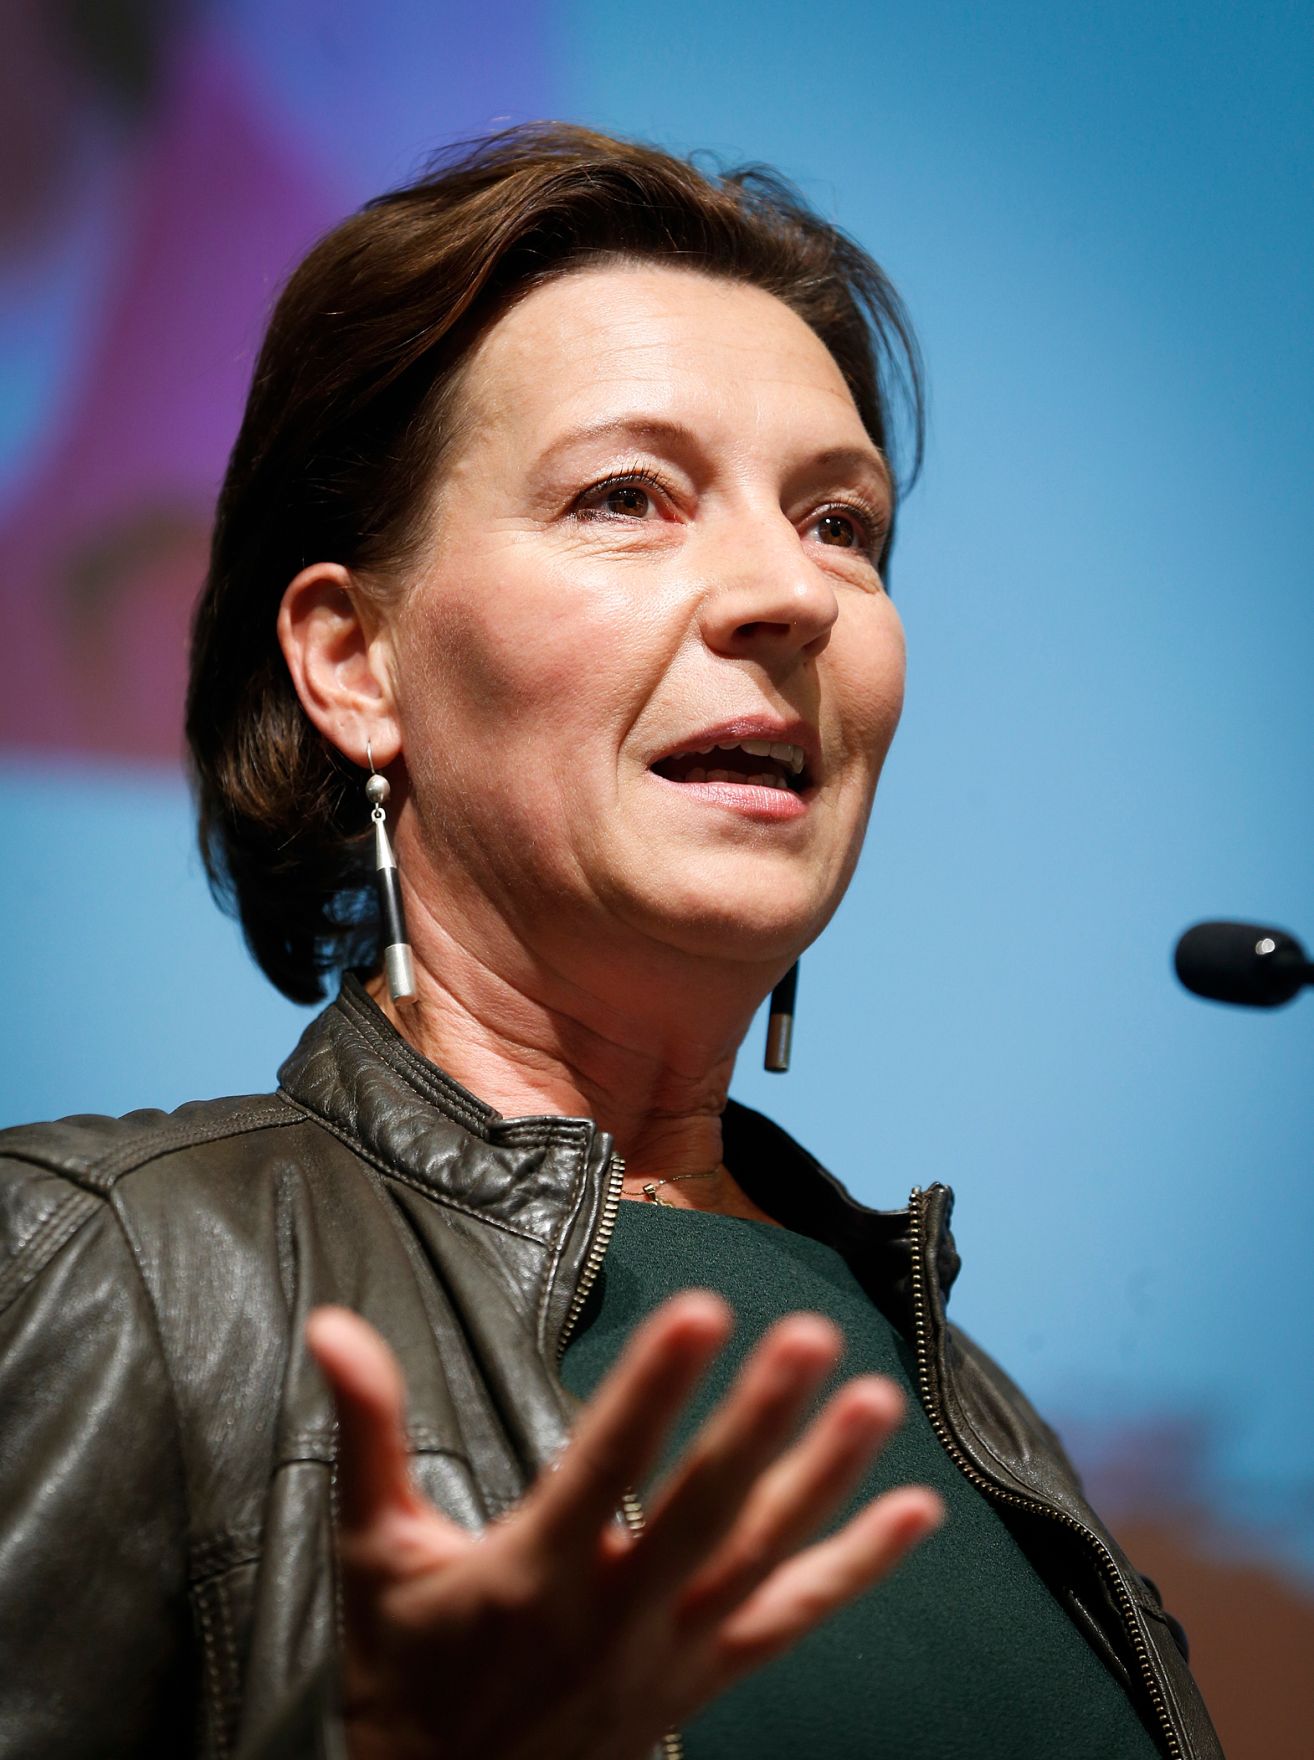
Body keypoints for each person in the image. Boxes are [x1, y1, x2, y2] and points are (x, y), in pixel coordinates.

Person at [0, 124, 1223, 1760]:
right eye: (626, 497)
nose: (788, 594)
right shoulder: (111, 1265)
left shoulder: (967, 1405)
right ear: (354, 661)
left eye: (840, 522)